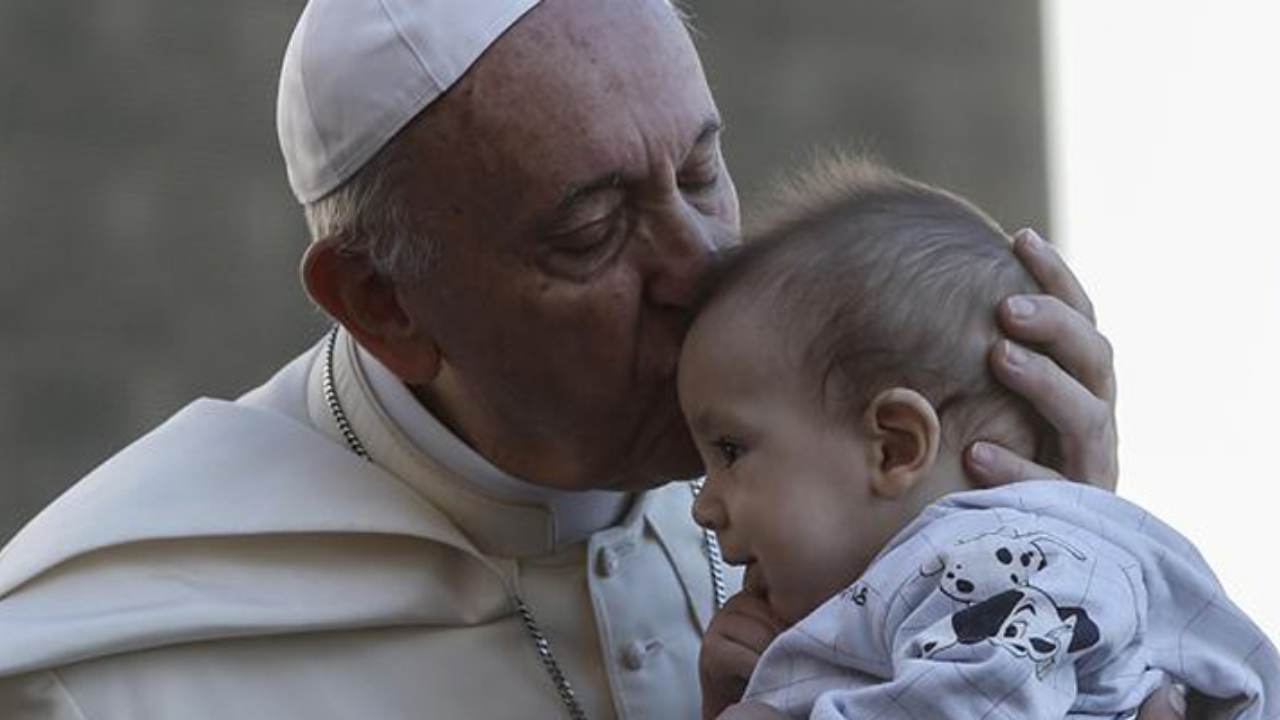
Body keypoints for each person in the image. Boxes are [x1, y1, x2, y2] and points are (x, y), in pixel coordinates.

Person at [0, 1, 1182, 718]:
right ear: (379, 303)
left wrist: (1055, 578)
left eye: (704, 172)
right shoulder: (102, 672)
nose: (701, 263)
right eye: (592, 229)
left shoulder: (903, 505)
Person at [681, 158, 1277, 719]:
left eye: (732, 451)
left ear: (894, 446)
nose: (703, 506)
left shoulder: (997, 559)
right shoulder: (919, 590)